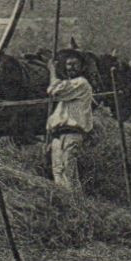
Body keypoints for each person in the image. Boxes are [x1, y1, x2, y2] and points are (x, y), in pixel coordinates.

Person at [46, 49, 95, 192]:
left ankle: (77, 208)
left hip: (71, 135)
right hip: (58, 135)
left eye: (75, 64)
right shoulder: (70, 87)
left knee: (69, 175)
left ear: (82, 67)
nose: (71, 67)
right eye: (68, 64)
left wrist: (52, 71)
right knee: (58, 174)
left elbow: (55, 91)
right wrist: (50, 138)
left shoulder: (81, 83)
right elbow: (57, 116)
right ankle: (67, 207)